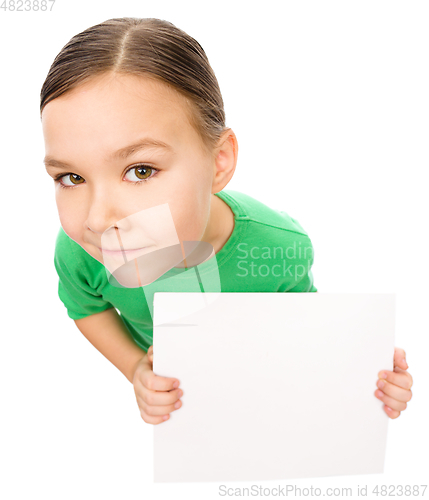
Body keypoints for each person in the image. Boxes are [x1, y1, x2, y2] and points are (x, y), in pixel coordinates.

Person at [40, 17, 413, 425]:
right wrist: (135, 369)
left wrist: (365, 377)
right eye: (71, 178)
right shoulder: (80, 251)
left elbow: (305, 336)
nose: (97, 219)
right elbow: (86, 306)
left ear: (220, 162)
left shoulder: (278, 247)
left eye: (141, 170)